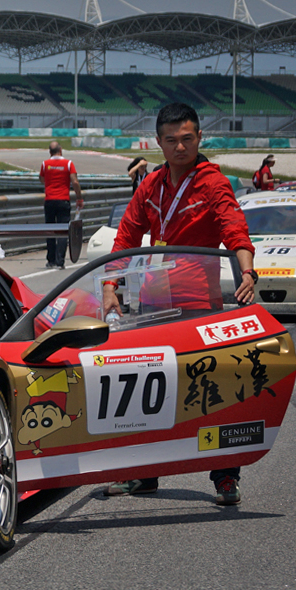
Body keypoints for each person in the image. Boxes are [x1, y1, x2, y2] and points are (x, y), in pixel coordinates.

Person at [102, 102, 257, 506]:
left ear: (199, 138)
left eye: (187, 139)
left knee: (212, 389)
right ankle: (142, 473)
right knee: (142, 389)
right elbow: (125, 238)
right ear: (159, 143)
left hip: (198, 305)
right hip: (153, 302)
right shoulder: (150, 185)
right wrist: (110, 286)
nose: (180, 147)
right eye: (171, 140)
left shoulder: (213, 182)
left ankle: (225, 476)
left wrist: (248, 273)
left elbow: (234, 227)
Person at [38, 141, 84, 269]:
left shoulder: (45, 164)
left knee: (50, 230)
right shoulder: (68, 164)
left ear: (49, 152)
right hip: (63, 200)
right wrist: (79, 197)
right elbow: (75, 181)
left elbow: (41, 179)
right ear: (61, 150)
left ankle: (51, 260)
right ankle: (60, 261)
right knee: (63, 231)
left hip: (49, 200)